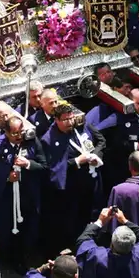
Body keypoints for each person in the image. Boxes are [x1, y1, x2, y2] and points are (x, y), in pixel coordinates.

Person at [41, 102, 105, 255]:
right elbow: (53, 167)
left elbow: (101, 141)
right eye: (65, 120)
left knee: (93, 212)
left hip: (92, 178)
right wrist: (78, 161)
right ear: (56, 120)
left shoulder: (80, 125)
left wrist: (95, 155)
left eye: (71, 118)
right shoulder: (48, 139)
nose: (70, 122)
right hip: (71, 187)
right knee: (74, 219)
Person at [0, 115, 46, 271]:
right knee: (7, 232)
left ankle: (23, 260)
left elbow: (43, 166)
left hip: (27, 197)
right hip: (7, 199)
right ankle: (7, 259)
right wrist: (7, 177)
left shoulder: (31, 141)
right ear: (6, 132)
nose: (19, 136)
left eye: (21, 131)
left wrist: (27, 164)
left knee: (27, 231)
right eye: (14, 133)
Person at [75, 207, 139, 278]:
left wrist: (100, 222)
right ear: (134, 244)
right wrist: (125, 220)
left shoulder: (98, 257)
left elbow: (83, 240)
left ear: (111, 244)